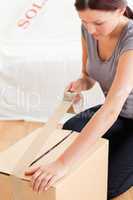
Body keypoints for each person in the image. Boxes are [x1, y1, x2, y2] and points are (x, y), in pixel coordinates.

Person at [25, 0, 133, 199]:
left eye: (98, 23)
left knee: (105, 184)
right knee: (71, 126)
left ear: (120, 10)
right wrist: (80, 84)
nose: (91, 29)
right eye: (84, 21)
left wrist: (62, 164)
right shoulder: (89, 30)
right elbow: (88, 75)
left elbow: (110, 109)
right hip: (122, 114)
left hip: (117, 111)